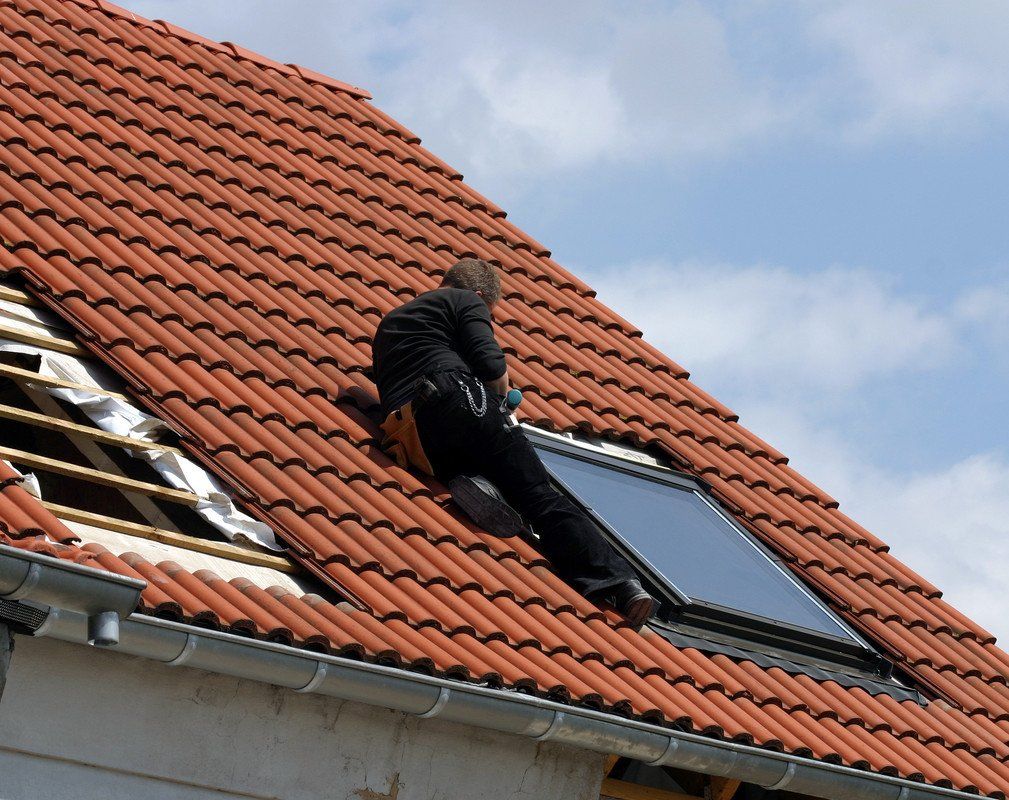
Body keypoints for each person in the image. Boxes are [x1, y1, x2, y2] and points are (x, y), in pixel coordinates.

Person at [372, 258, 656, 626]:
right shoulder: (464, 300)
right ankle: (620, 582)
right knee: (539, 493)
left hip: (414, 436)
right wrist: (504, 393)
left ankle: (479, 484)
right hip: (457, 397)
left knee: (477, 460)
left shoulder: (390, 324)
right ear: (478, 296)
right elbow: (490, 365)